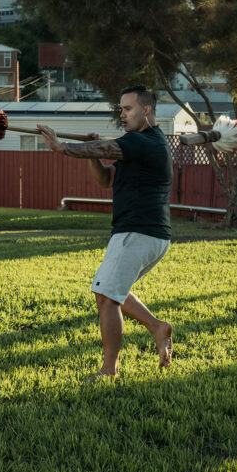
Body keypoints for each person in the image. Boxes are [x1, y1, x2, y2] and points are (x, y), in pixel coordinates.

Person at [37, 85, 174, 379]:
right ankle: (156, 326)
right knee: (112, 290)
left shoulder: (145, 142)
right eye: (121, 109)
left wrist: (62, 147)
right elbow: (105, 179)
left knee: (106, 297)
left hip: (138, 232)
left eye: (128, 109)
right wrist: (93, 155)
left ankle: (109, 371)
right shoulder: (136, 146)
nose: (122, 115)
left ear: (146, 110)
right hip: (148, 235)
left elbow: (105, 146)